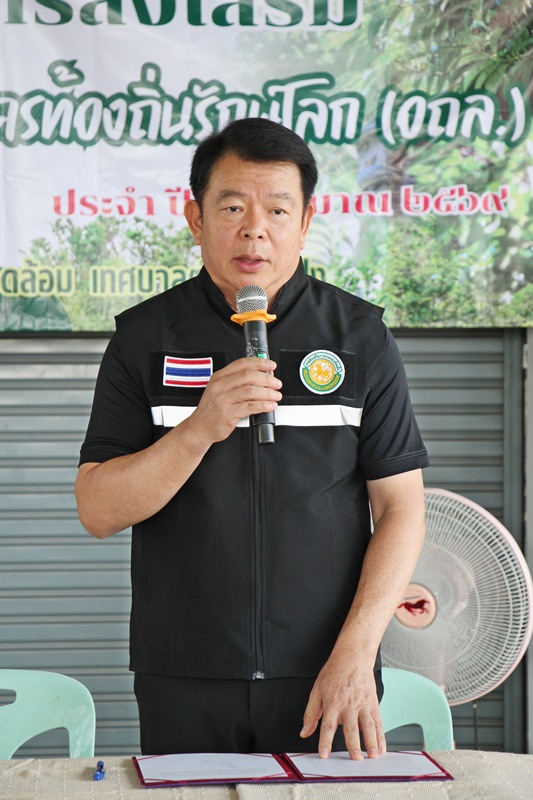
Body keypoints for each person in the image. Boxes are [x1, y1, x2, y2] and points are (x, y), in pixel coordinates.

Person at [75, 117, 428, 761]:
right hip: (185, 671)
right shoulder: (143, 338)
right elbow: (98, 509)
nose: (254, 230)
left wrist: (356, 653)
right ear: (195, 217)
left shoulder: (360, 337)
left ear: (307, 221)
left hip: (326, 670)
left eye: (277, 210)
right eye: (232, 207)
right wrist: (199, 428)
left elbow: (401, 506)